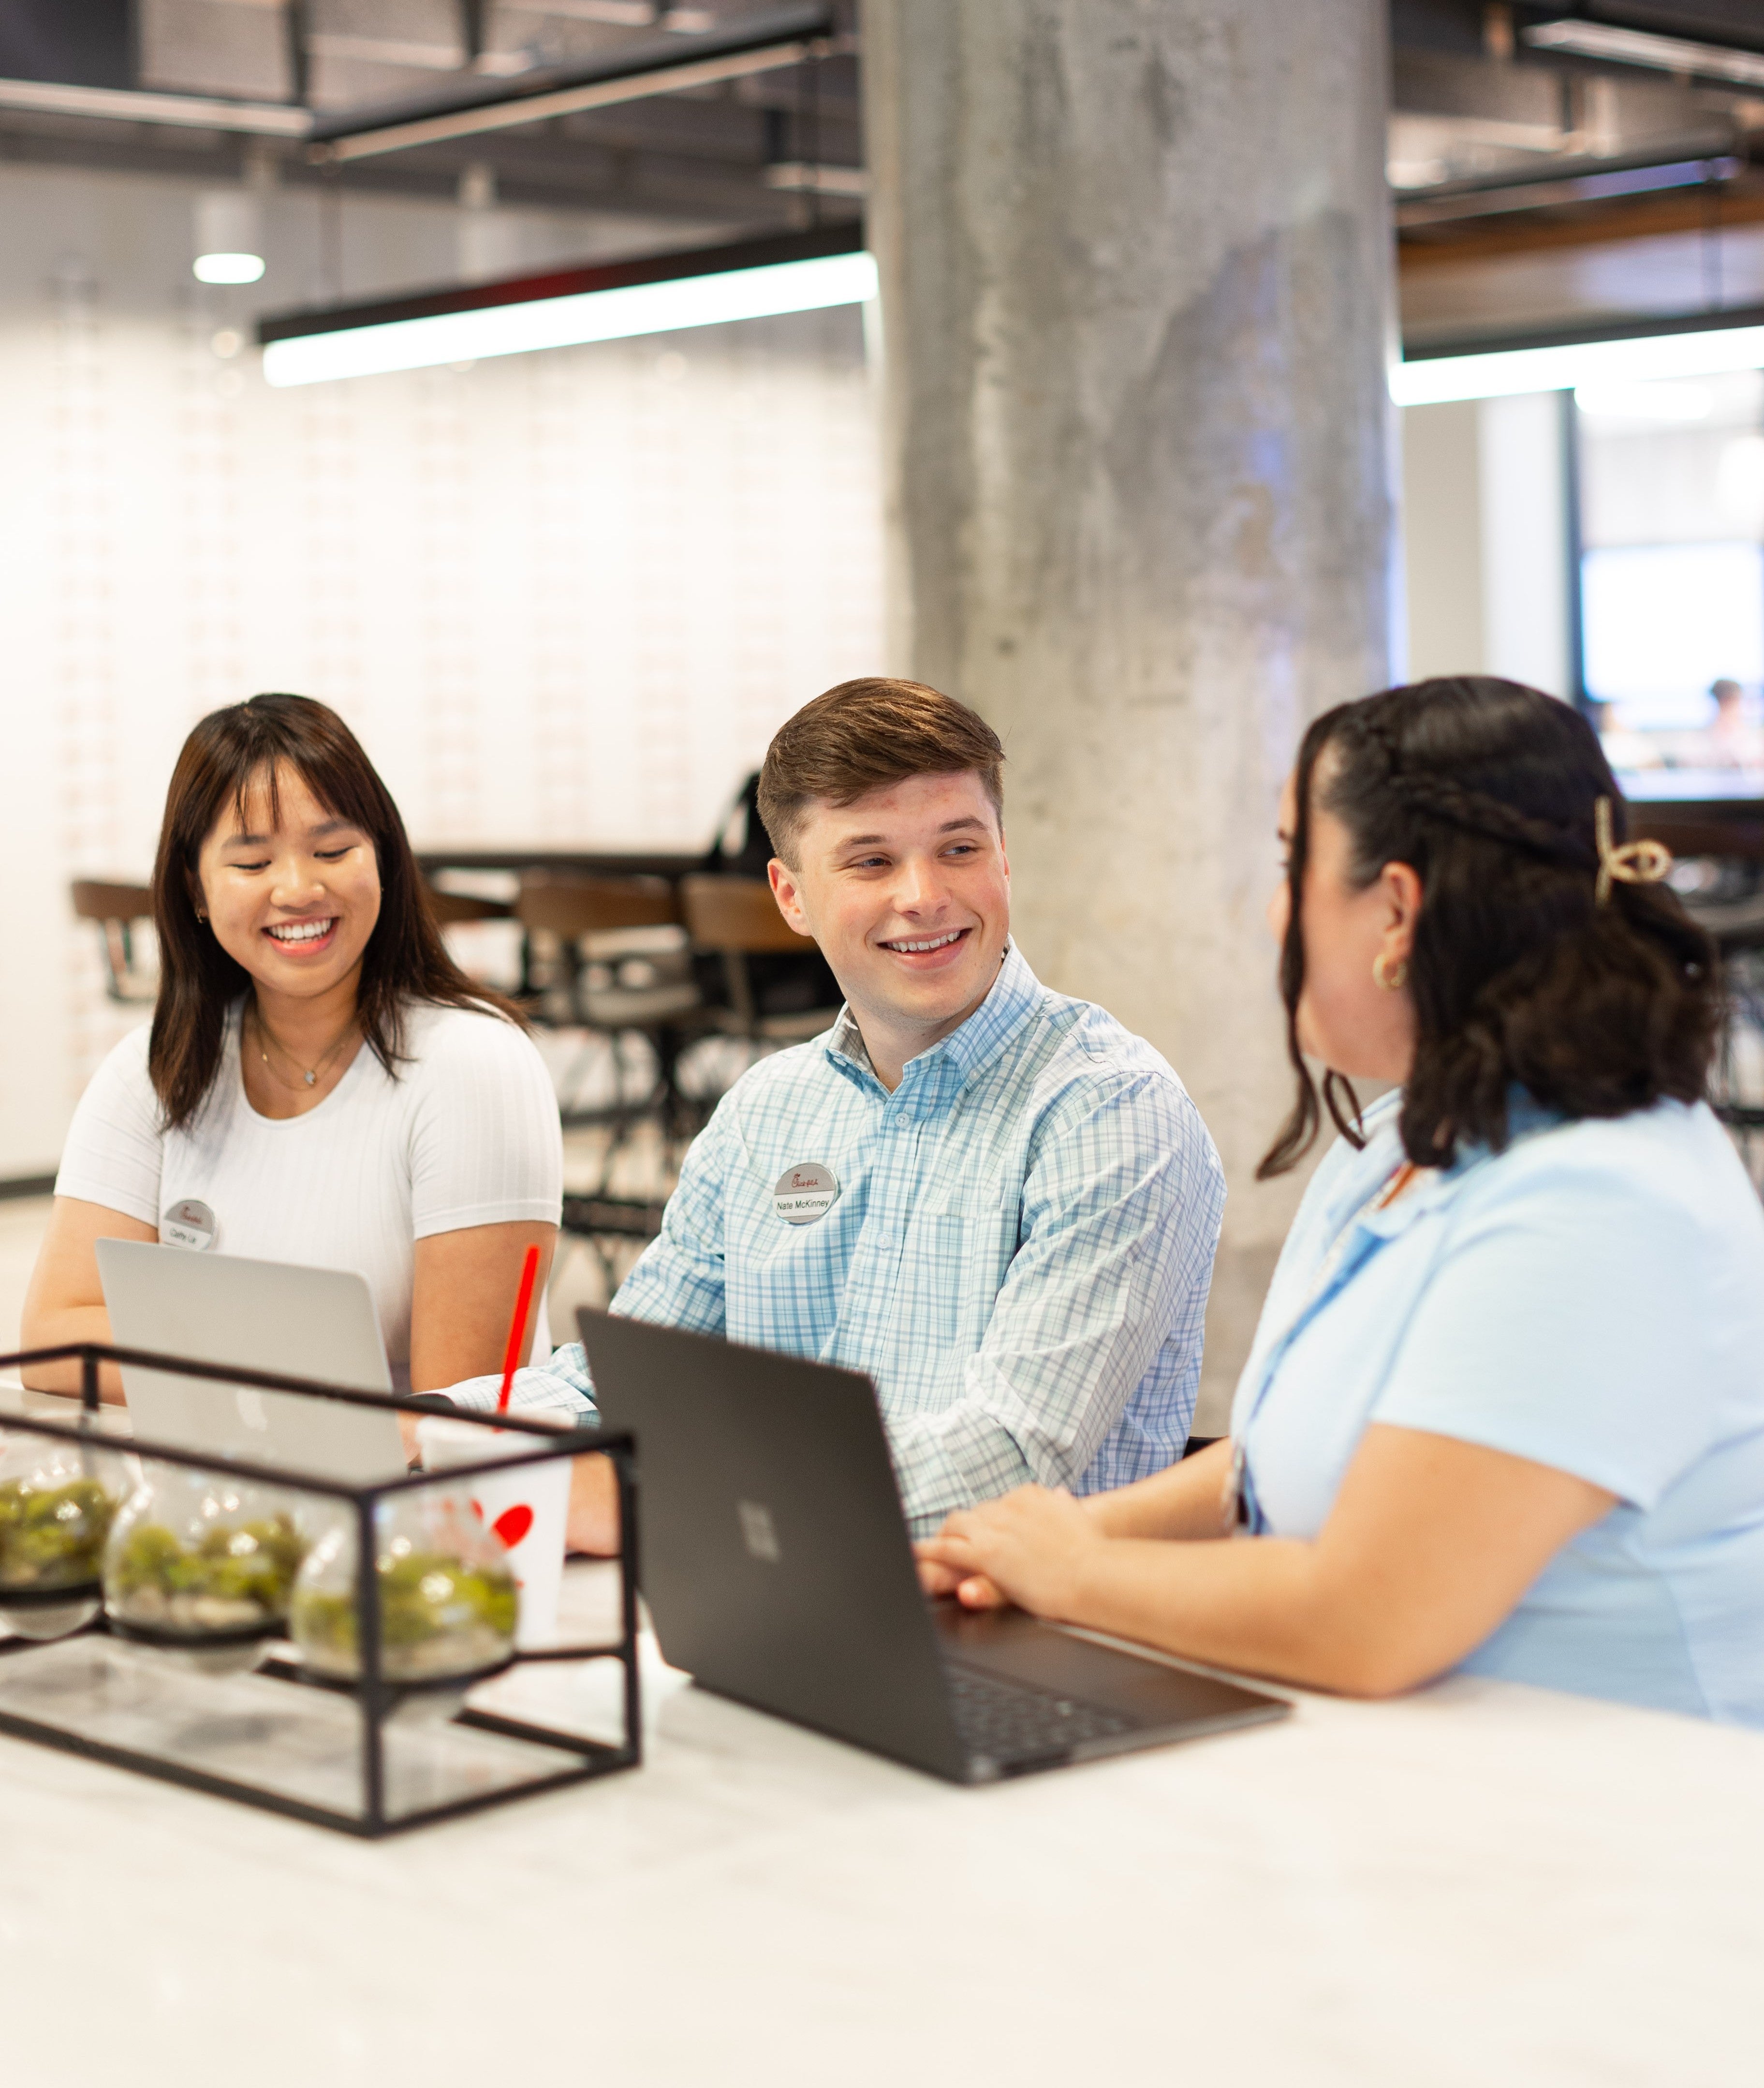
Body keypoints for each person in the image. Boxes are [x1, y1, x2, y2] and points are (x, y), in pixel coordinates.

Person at [917, 675, 1764, 1726]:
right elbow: (1290, 1455)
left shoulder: (1601, 1205)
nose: (1274, 907)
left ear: (1397, 910)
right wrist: (1049, 1535)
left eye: (1290, 861)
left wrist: (1072, 1572)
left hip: (1611, 1833)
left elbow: (1368, 1617)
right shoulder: (1403, 1140)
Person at [466, 677, 1225, 1539]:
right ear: (791, 896)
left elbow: (1011, 1458)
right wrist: (428, 1429)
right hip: (775, 1597)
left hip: (1026, 1638)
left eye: (960, 848)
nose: (924, 895)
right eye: (871, 861)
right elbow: (624, 1381)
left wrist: (665, 1499)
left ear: (1005, 857)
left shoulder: (1109, 1111)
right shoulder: (768, 1112)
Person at [24, 694, 563, 1419]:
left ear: (384, 860)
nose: (299, 889)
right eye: (251, 861)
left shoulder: (476, 1067)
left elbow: (452, 1419)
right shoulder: (152, 1070)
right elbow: (55, 1339)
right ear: (197, 890)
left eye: (334, 851)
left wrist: (196, 1343)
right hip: (213, 1502)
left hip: (407, 1511)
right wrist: (305, 1355)